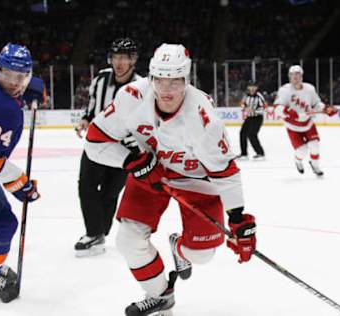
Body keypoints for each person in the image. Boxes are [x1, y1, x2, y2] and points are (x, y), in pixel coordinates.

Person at [84, 43, 256, 316]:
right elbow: (94, 142)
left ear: (186, 80)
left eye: (174, 81)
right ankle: (161, 295)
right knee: (128, 241)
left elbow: (226, 172)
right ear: (150, 77)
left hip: (197, 181)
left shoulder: (204, 119)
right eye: (159, 80)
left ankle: (180, 247)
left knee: (202, 255)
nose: (165, 90)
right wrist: (130, 161)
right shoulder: (130, 98)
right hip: (150, 173)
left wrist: (238, 218)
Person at [73, 38, 142, 257]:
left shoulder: (141, 87)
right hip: (96, 145)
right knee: (86, 187)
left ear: (133, 60)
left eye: (124, 57)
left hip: (122, 150)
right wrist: (85, 120)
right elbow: (92, 107)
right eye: (115, 57)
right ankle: (93, 233)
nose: (119, 62)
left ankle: (100, 232)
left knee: (111, 193)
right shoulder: (101, 78)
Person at [0, 43, 40, 303]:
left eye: (19, 76)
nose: (13, 82)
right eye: (7, 75)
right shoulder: (4, 111)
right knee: (2, 224)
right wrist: (20, 185)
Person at [273, 65, 338, 176]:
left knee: (315, 145)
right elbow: (277, 107)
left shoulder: (309, 89)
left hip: (308, 123)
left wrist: (325, 108)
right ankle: (298, 161)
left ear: (302, 76)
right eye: (292, 75)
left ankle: (315, 165)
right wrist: (290, 113)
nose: (295, 77)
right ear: (289, 76)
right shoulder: (284, 90)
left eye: (297, 74)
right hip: (292, 126)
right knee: (302, 151)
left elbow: (316, 103)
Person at [236, 80, 267, 160]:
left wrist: (254, 111)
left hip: (257, 118)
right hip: (249, 118)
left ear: (256, 87)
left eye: (254, 86)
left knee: (252, 134)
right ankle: (244, 154)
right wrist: (245, 108)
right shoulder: (246, 96)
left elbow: (264, 108)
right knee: (242, 133)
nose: (252, 88)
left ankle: (260, 153)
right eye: (250, 86)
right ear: (248, 87)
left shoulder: (259, 96)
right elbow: (242, 104)